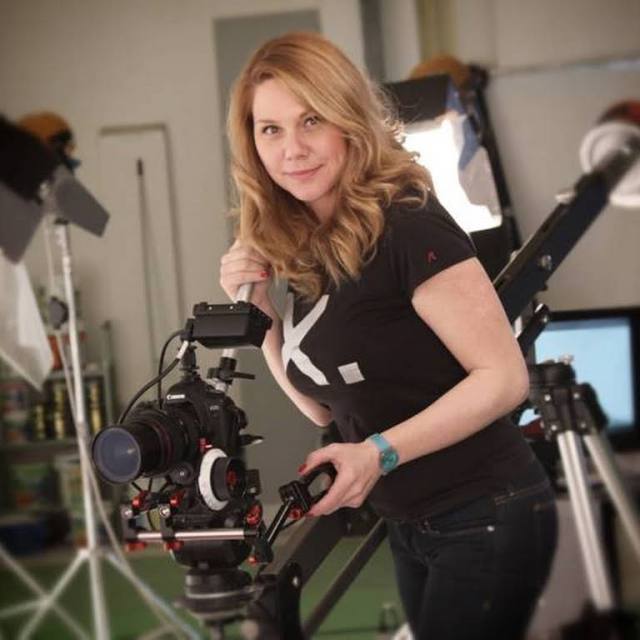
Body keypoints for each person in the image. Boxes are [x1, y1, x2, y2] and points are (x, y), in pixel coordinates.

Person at [219, 31, 557, 640]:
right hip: (411, 523)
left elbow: (504, 379)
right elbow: (324, 407)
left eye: (311, 120)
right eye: (270, 129)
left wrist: (377, 453)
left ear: (348, 119)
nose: (292, 149)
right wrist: (261, 315)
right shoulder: (313, 241)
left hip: (486, 509)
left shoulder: (407, 222)